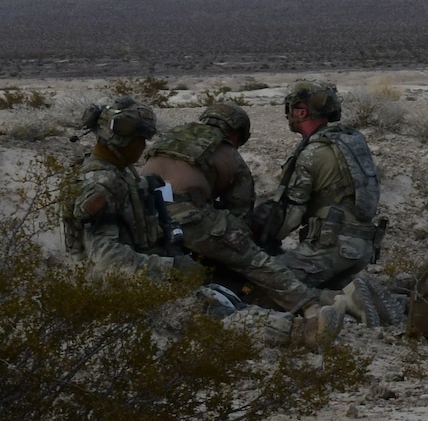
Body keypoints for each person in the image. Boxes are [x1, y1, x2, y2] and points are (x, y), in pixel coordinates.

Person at [141, 103, 327, 316]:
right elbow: (241, 217)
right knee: (251, 259)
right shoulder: (228, 152)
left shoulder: (170, 137)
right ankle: (309, 306)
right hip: (187, 217)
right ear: (237, 132)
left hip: (144, 214)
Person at [260, 80, 385, 295]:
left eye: (290, 108)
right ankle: (363, 300)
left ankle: (337, 302)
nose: (287, 115)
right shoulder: (348, 141)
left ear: (301, 111)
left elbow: (292, 215)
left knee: (267, 284)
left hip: (331, 247)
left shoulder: (312, 154)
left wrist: (262, 239)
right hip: (362, 248)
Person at [64, 96, 190, 277]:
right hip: (113, 286)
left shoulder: (113, 170)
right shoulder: (100, 186)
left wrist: (145, 186)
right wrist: (172, 267)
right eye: (141, 139)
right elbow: (105, 259)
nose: (143, 146)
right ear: (121, 140)